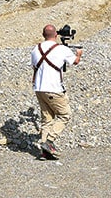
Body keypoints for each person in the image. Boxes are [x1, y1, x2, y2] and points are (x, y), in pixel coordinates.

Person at [30, 24, 82, 159]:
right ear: (56, 35)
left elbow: (35, 68)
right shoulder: (61, 49)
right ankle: (49, 141)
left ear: (43, 35)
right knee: (65, 115)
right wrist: (79, 54)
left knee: (46, 119)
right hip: (53, 88)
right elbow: (75, 62)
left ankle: (44, 151)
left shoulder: (36, 49)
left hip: (39, 88)